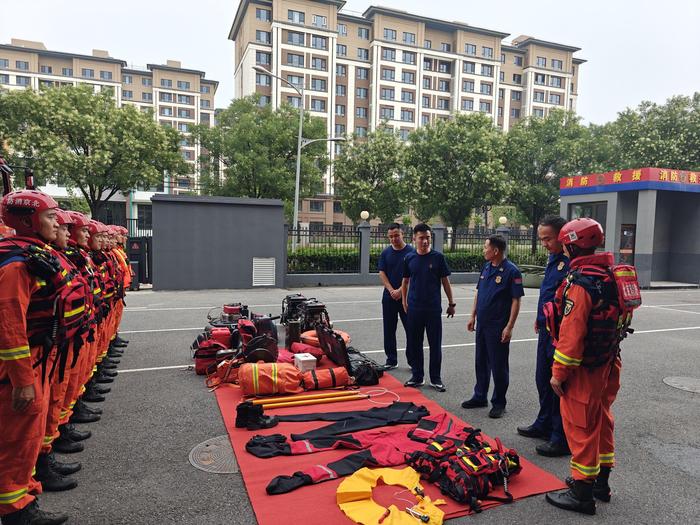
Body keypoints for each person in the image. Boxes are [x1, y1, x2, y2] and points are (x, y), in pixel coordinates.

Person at [544, 218, 625, 515]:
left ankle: (581, 493)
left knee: (582, 427)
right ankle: (600, 484)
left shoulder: (580, 283)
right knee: (602, 420)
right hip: (608, 361)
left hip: (584, 369)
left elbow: (572, 334)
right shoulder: (611, 275)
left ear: (573, 245)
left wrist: (558, 373)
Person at [0, 189, 69, 525]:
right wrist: (22, 381)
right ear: (28, 221)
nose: (58, 223)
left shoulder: (31, 255)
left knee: (30, 434)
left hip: (39, 355)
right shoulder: (16, 265)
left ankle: (26, 493)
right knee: (17, 439)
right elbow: (10, 325)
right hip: (19, 366)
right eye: (51, 217)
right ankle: (15, 511)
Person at [517, 216, 571, 456]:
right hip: (546, 330)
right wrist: (540, 319)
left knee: (560, 385)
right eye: (542, 239)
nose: (544, 244)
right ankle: (544, 423)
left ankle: (560, 437)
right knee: (542, 379)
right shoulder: (552, 259)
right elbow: (548, 294)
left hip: (561, 334)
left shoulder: (571, 263)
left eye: (548, 239)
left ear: (562, 236)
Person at [462, 234, 524, 418]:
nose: (483, 250)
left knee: (498, 365)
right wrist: (472, 315)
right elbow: (478, 293)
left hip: (498, 326)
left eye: (485, 247)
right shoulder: (487, 267)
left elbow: (516, 300)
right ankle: (480, 396)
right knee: (481, 362)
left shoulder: (512, 271)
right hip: (482, 323)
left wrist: (509, 327)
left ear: (495, 251)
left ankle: (499, 402)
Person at [401, 223, 455, 392]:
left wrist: (451, 303)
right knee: (415, 343)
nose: (425, 241)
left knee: (435, 344)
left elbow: (445, 281)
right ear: (414, 239)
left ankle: (435, 379)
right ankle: (417, 376)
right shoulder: (409, 258)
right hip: (414, 309)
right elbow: (405, 281)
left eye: (427, 238)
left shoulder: (437, 258)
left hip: (432, 309)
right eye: (421, 238)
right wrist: (404, 300)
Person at [377, 223, 413, 369]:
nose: (394, 239)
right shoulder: (385, 253)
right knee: (389, 329)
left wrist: (400, 290)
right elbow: (382, 272)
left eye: (396, 235)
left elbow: (412, 275)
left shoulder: (411, 252)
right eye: (391, 236)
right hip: (389, 297)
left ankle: (412, 360)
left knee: (411, 329)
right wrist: (392, 290)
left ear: (402, 234)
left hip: (407, 298)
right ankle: (391, 360)